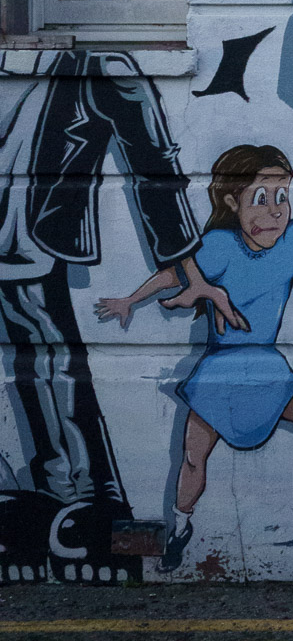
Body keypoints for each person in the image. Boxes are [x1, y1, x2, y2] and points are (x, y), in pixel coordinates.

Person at [96, 143, 293, 572]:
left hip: (266, 366)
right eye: (262, 198)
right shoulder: (221, 245)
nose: (276, 210)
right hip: (221, 368)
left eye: (282, 197)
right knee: (193, 457)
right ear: (231, 201)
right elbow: (174, 273)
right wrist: (131, 299)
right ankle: (182, 526)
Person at [0, 48, 243, 583]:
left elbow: (150, 155)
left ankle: (85, 492)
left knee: (40, 333)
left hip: (25, 241)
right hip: (23, 242)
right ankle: (55, 496)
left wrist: (185, 266)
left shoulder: (92, 68)